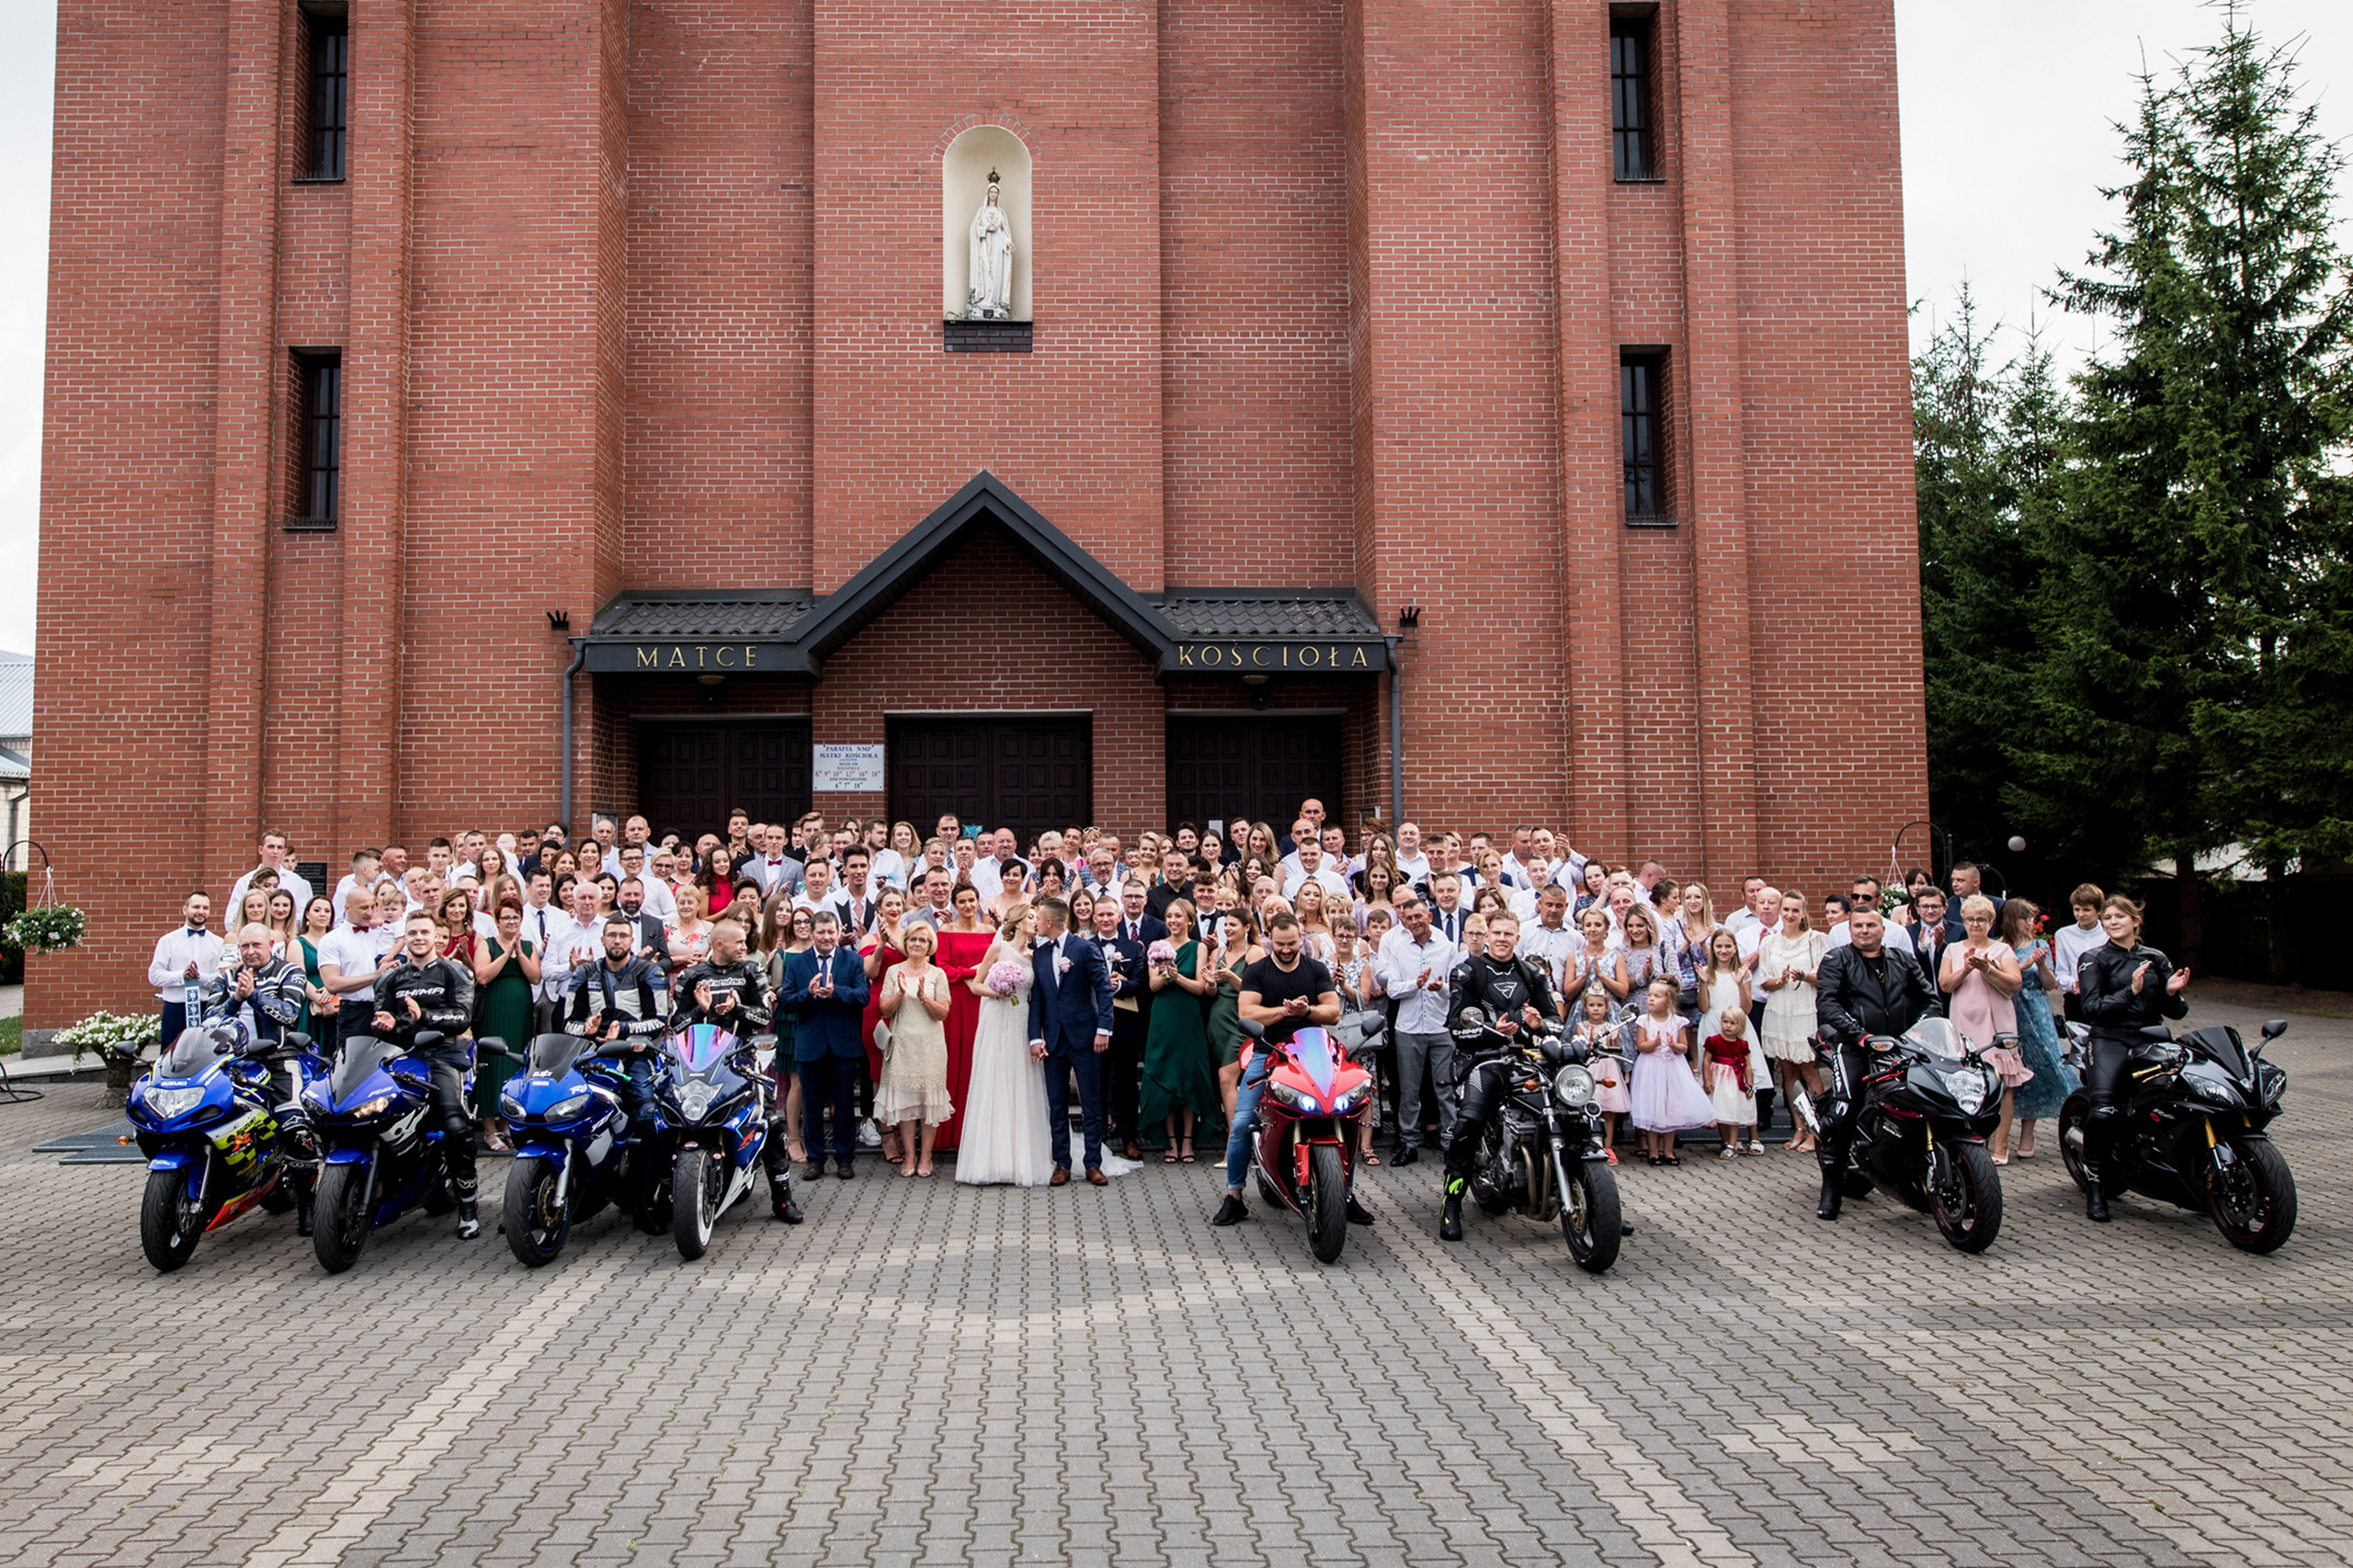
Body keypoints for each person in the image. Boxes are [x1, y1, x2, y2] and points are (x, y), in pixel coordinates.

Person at [1211, 913, 1366, 1228]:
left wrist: (1307, 1010)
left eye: (1292, 943)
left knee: (1346, 1114)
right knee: (1241, 1123)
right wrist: (1284, 1010)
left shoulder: (1316, 969)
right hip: (1267, 1053)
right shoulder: (1257, 972)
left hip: (1314, 1053)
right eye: (1280, 944)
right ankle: (1234, 1196)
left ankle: (1346, 1194)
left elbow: (1333, 1013)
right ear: (1270, 938)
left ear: (1301, 939)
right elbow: (1246, 1013)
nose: (1286, 949)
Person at [1437, 911, 1558, 1238]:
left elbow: (1556, 1022)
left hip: (1528, 1060)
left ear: (1518, 937)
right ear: (1487, 936)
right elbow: (1455, 1027)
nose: (1502, 939)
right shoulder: (1467, 972)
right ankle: (1451, 1205)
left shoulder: (1533, 973)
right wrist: (1491, 1031)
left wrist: (1538, 1026)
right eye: (1497, 933)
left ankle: (1595, 1200)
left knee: (1570, 1114)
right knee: (1468, 1124)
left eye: (1508, 933)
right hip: (1483, 1060)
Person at [1812, 906, 1938, 1221]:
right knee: (1846, 1105)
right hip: (1852, 1045)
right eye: (1858, 926)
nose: (1864, 931)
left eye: (1870, 925)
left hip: (1899, 1045)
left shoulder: (1903, 959)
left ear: (1883, 929)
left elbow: (1930, 999)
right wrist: (1861, 1036)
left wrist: (1918, 1031)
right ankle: (1831, 1187)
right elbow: (1828, 1003)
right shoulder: (1837, 958)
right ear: (1850, 930)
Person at [2074, 894, 2190, 1222]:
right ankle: (2096, 1187)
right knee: (2103, 1111)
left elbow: (2177, 1013)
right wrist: (2131, 991)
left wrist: (2172, 993)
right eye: (2107, 917)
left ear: (2135, 921)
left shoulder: (2156, 957)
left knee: (2177, 1099)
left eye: (2119, 917)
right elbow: (2091, 1008)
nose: (2112, 922)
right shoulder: (2093, 958)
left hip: (2150, 1037)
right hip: (2109, 1038)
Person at [371, 910, 483, 1237]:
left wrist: (425, 1017)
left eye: (424, 932)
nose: (418, 938)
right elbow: (380, 1021)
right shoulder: (389, 977)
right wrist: (385, 1024)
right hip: (400, 1059)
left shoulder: (455, 971)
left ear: (436, 937)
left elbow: (462, 1018)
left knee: (456, 1128)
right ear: (404, 938)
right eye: (412, 933)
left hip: (443, 1056)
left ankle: (468, 1208)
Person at [563, 915, 673, 1227]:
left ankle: (647, 1202)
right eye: (612, 935)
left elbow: (659, 1022)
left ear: (631, 940)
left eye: (623, 936)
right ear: (602, 940)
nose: (617, 941)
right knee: (563, 1107)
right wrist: (587, 1028)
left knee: (649, 1116)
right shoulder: (584, 972)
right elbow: (567, 1022)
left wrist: (622, 1029)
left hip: (636, 1054)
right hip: (593, 1055)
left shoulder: (650, 972)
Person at [958, 904, 1057, 1187]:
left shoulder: (1036, 956)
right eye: (1030, 917)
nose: (1035, 922)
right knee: (995, 1080)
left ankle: (1021, 1158)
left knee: (1021, 1081)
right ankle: (990, 1160)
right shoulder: (998, 949)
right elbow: (975, 985)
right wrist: (997, 992)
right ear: (1016, 921)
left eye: (1037, 918)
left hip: (1022, 1020)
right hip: (996, 1019)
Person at [1026, 897, 1116, 1185]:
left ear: (1049, 922)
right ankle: (1062, 1163)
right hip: (1053, 1039)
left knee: (1091, 1103)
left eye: (1038, 919)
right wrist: (1034, 1037)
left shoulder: (1085, 948)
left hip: (1086, 1036)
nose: (1035, 925)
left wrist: (1103, 1029)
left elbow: (1104, 990)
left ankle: (1093, 1163)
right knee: (1057, 1104)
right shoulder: (1039, 954)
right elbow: (1038, 999)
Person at [779, 910, 872, 1180]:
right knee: (811, 1106)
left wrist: (836, 993)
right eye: (821, 932)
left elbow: (863, 996)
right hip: (810, 1044)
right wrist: (807, 994)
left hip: (843, 1043)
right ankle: (815, 1160)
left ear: (837, 933)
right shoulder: (797, 963)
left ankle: (844, 1159)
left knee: (844, 1105)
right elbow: (786, 1001)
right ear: (811, 933)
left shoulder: (853, 960)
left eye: (831, 932)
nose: (826, 937)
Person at [1940, 893, 2030, 1160]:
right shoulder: (1953, 949)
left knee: (2002, 1084)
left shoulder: (2002, 950)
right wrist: (1968, 968)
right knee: (1968, 1083)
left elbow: (2014, 984)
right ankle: (1973, 1143)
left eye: (1981, 919)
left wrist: (1988, 969)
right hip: (1964, 1023)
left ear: (1991, 922)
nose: (1975, 924)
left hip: (1996, 1024)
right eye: (1970, 919)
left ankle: (2001, 1146)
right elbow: (1945, 984)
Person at [1373, 892, 1455, 1166]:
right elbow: (1394, 990)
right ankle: (1409, 1144)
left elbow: (1455, 989)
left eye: (1418, 916)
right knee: (1408, 1090)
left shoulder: (1446, 947)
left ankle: (1450, 1143)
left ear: (1429, 916)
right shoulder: (1398, 948)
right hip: (1408, 1028)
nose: (1414, 921)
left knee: (1444, 1088)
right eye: (1408, 918)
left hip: (1440, 1026)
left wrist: (1439, 987)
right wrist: (1416, 985)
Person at [1140, 898, 1219, 1166]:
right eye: (1169, 916)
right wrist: (1164, 976)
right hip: (1163, 1017)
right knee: (1165, 1076)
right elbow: (1153, 986)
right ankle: (1170, 1141)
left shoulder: (1198, 948)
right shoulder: (1156, 946)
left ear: (1189, 921)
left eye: (1178, 916)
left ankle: (1187, 1141)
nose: (1173, 921)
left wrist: (1178, 977)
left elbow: (1200, 988)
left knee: (1188, 1077)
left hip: (1188, 1017)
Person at [876, 921, 955, 1177]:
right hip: (902, 1044)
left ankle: (927, 1156)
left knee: (929, 1101)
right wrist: (900, 993)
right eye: (912, 939)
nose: (917, 944)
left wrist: (924, 998)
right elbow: (884, 1009)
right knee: (906, 1102)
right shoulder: (894, 972)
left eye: (922, 940)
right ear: (906, 942)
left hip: (930, 1045)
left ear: (930, 945)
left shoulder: (937, 974)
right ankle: (910, 1155)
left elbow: (943, 1013)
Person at [1998, 898, 2075, 1160]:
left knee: (2041, 1065)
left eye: (2032, 918)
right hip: (2010, 1011)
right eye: (2025, 918)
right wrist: (2022, 966)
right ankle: (2000, 1136)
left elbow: (2049, 984)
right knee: (2009, 1071)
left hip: (2037, 1012)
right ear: (2012, 920)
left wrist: (2041, 964)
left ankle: (2028, 1133)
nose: (2030, 923)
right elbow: (1999, 980)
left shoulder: (2039, 946)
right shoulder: (2000, 946)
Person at [471, 897, 541, 1154]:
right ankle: (489, 1129)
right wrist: (505, 953)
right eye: (506, 918)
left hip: (520, 1012)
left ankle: (506, 1125)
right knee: (492, 1064)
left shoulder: (528, 946)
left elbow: (535, 977)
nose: (511, 922)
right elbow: (482, 976)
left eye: (515, 917)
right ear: (497, 922)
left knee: (515, 1064)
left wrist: (519, 952)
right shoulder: (487, 944)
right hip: (494, 1010)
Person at [1755, 896, 1823, 1152]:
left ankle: (1817, 1131)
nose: (1790, 914)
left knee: (1809, 1071)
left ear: (1804, 912)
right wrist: (1781, 980)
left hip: (1805, 1010)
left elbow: (1824, 976)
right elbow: (1764, 982)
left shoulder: (1815, 939)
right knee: (1789, 1073)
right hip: (1780, 1010)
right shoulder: (1769, 942)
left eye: (1795, 910)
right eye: (1786, 909)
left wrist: (1804, 976)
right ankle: (1799, 1128)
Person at [932, 881, 993, 1155]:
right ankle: (952, 1133)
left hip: (985, 1000)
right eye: (962, 902)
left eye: (972, 900)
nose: (968, 906)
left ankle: (982, 1133)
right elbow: (943, 968)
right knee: (958, 1059)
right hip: (957, 1000)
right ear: (954, 906)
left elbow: (996, 964)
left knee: (982, 1059)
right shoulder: (945, 932)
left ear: (978, 902)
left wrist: (978, 976)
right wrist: (971, 973)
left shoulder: (990, 932)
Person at [1626, 975, 1712, 1168]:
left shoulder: (1678, 1021)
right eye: (1650, 995)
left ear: (1669, 1001)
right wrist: (1653, 1043)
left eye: (1657, 996)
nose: (1651, 999)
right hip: (1651, 1068)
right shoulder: (1644, 1021)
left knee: (1671, 1109)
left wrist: (1674, 1045)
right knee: (1653, 1109)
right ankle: (1653, 1151)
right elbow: (1641, 1046)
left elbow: (1684, 1047)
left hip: (1672, 1069)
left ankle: (1668, 1150)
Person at [148, 892, 227, 1042]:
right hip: (176, 1008)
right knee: (171, 1051)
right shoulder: (168, 941)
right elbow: (154, 976)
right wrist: (182, 976)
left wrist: (199, 978)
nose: (201, 911)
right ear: (185, 910)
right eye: (196, 907)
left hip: (206, 1007)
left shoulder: (218, 943)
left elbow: (221, 978)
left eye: (205, 908)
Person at [1570, 984, 1630, 1163]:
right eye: (1592, 1005)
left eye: (1599, 1005)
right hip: (1591, 1068)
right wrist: (1587, 1044)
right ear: (1585, 1007)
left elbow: (1617, 1051)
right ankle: (1591, 1145)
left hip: (1608, 1069)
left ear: (1606, 1008)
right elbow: (1580, 1050)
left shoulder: (1611, 1027)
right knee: (1590, 1109)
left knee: (1609, 1110)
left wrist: (1615, 1039)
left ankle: (1608, 1147)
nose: (1596, 1009)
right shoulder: (1581, 1027)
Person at [1702, 1006, 1758, 1157]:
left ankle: (1732, 1144)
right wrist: (1707, 1080)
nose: (1728, 1026)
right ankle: (1725, 1140)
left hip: (1734, 1082)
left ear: (1740, 1026)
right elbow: (1706, 1061)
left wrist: (1749, 1084)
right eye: (1725, 1021)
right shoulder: (1713, 1041)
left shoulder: (1742, 1045)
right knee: (1721, 1110)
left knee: (1732, 1112)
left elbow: (1747, 1065)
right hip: (1718, 1081)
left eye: (1732, 1023)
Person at [2052, 882, 2108, 1024]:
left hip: (2105, 997)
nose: (2080, 914)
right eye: (2077, 909)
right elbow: (2061, 972)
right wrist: (2072, 984)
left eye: (2086, 910)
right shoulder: (2063, 935)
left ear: (2098, 911)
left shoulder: (2108, 933)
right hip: (2076, 999)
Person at [228, 830, 313, 915]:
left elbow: (303, 916)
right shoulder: (245, 881)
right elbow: (231, 918)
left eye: (279, 847)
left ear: (284, 852)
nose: (275, 851)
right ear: (260, 850)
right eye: (271, 847)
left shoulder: (296, 882)